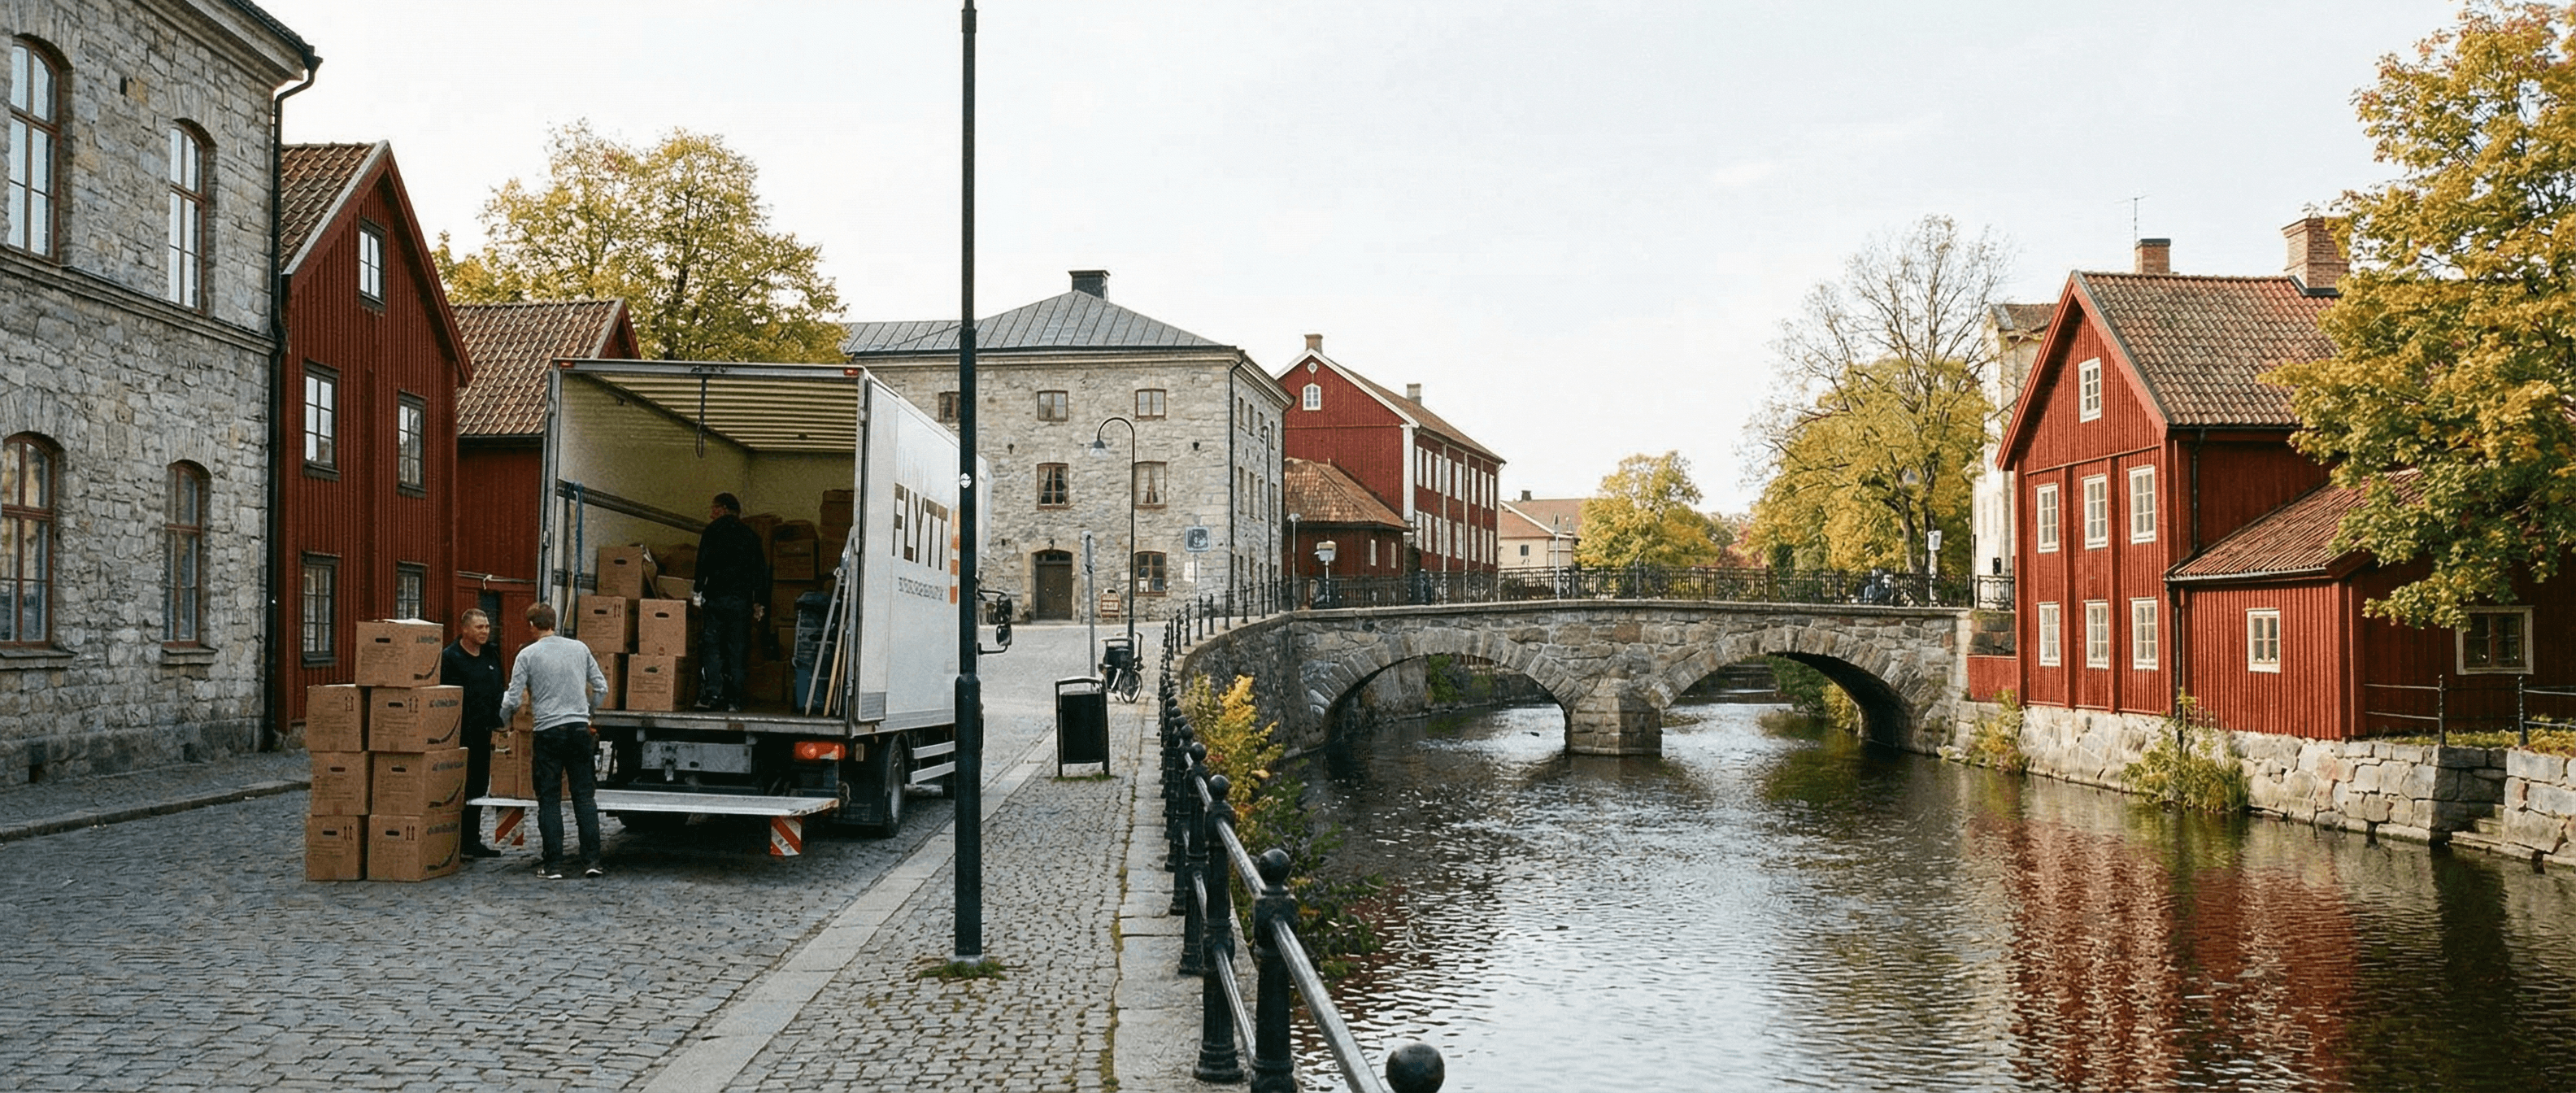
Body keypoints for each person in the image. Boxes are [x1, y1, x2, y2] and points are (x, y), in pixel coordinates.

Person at [496, 602, 610, 879]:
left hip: (548, 731)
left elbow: (513, 698)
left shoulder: (528, 654)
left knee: (549, 799)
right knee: (585, 797)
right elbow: (601, 687)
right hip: (579, 729)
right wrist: (588, 712)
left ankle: (553, 865)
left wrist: (502, 719)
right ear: (554, 622)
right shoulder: (579, 648)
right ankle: (592, 861)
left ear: (532, 625)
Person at [692, 491, 770, 712]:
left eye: (714, 509)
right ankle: (735, 700)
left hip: (715, 599)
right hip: (740, 602)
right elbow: (760, 572)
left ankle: (714, 694)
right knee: (737, 648)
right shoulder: (750, 536)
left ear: (724, 509)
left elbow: (702, 563)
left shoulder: (712, 532)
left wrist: (697, 591)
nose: (711, 514)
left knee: (712, 648)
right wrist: (759, 602)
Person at [439, 608, 505, 859]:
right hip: (459, 733)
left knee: (479, 787)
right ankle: (451, 841)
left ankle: (472, 841)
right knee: (458, 787)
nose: (485, 631)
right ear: (465, 629)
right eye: (479, 627)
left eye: (487, 627)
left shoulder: (490, 654)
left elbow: (499, 687)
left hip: (485, 732)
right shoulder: (451, 657)